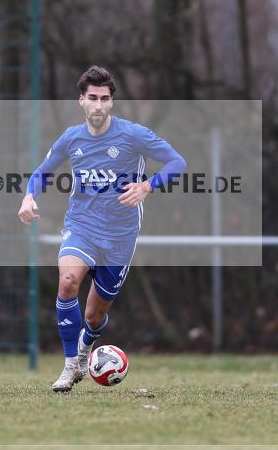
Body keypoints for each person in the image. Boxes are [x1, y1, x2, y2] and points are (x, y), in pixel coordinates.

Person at [18, 66, 186, 392]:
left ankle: (85, 348)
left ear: (112, 103)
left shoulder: (132, 134)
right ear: (81, 100)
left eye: (104, 99)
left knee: (94, 316)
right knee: (67, 281)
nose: (98, 105)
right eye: (92, 98)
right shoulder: (71, 138)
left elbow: (177, 162)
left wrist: (148, 186)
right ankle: (69, 367)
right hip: (81, 227)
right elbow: (42, 171)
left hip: (121, 237)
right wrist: (28, 197)